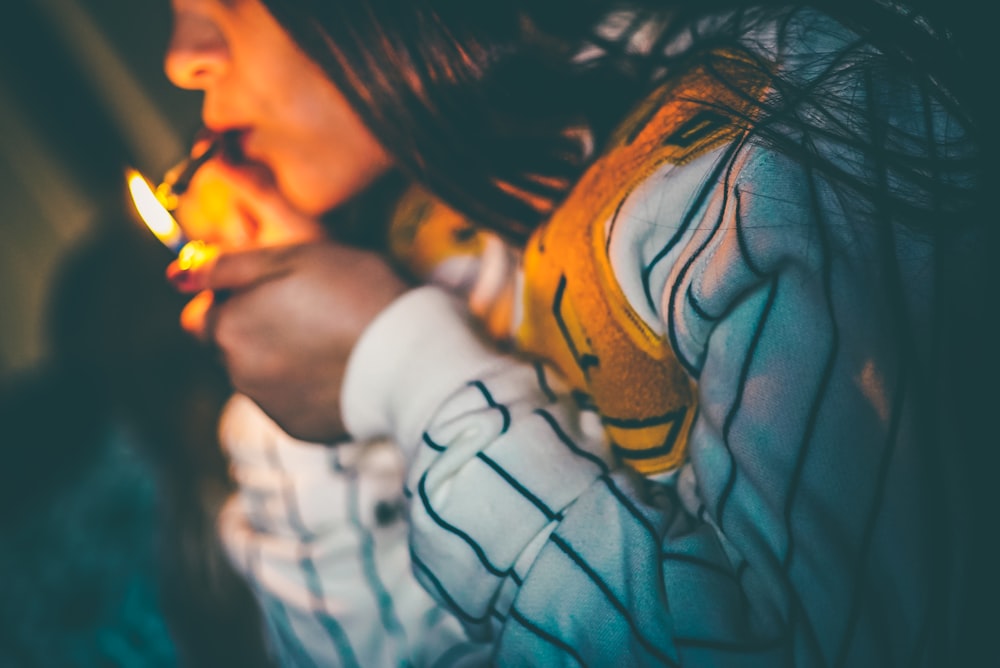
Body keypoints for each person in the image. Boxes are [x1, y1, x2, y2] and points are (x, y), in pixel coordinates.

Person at [163, 0, 993, 665]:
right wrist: (322, 375)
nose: (179, 55)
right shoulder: (453, 192)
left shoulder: (788, 119)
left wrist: (401, 369)